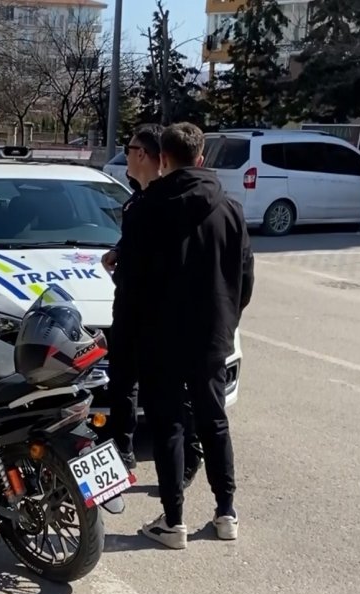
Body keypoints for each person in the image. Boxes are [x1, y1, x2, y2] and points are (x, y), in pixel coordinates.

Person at [134, 122, 254, 550]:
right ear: (201, 159)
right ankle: (226, 513)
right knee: (213, 421)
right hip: (211, 334)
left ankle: (174, 521)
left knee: (168, 425)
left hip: (162, 335)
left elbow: (133, 281)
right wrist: (227, 320)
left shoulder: (148, 208)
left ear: (163, 159)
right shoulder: (230, 209)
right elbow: (245, 277)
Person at [100, 124, 204, 480]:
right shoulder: (137, 199)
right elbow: (138, 243)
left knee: (171, 391)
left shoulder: (170, 201)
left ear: (142, 154)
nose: (125, 156)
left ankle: (189, 456)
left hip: (159, 314)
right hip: (129, 307)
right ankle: (122, 450)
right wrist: (119, 252)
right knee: (122, 381)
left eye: (128, 149)